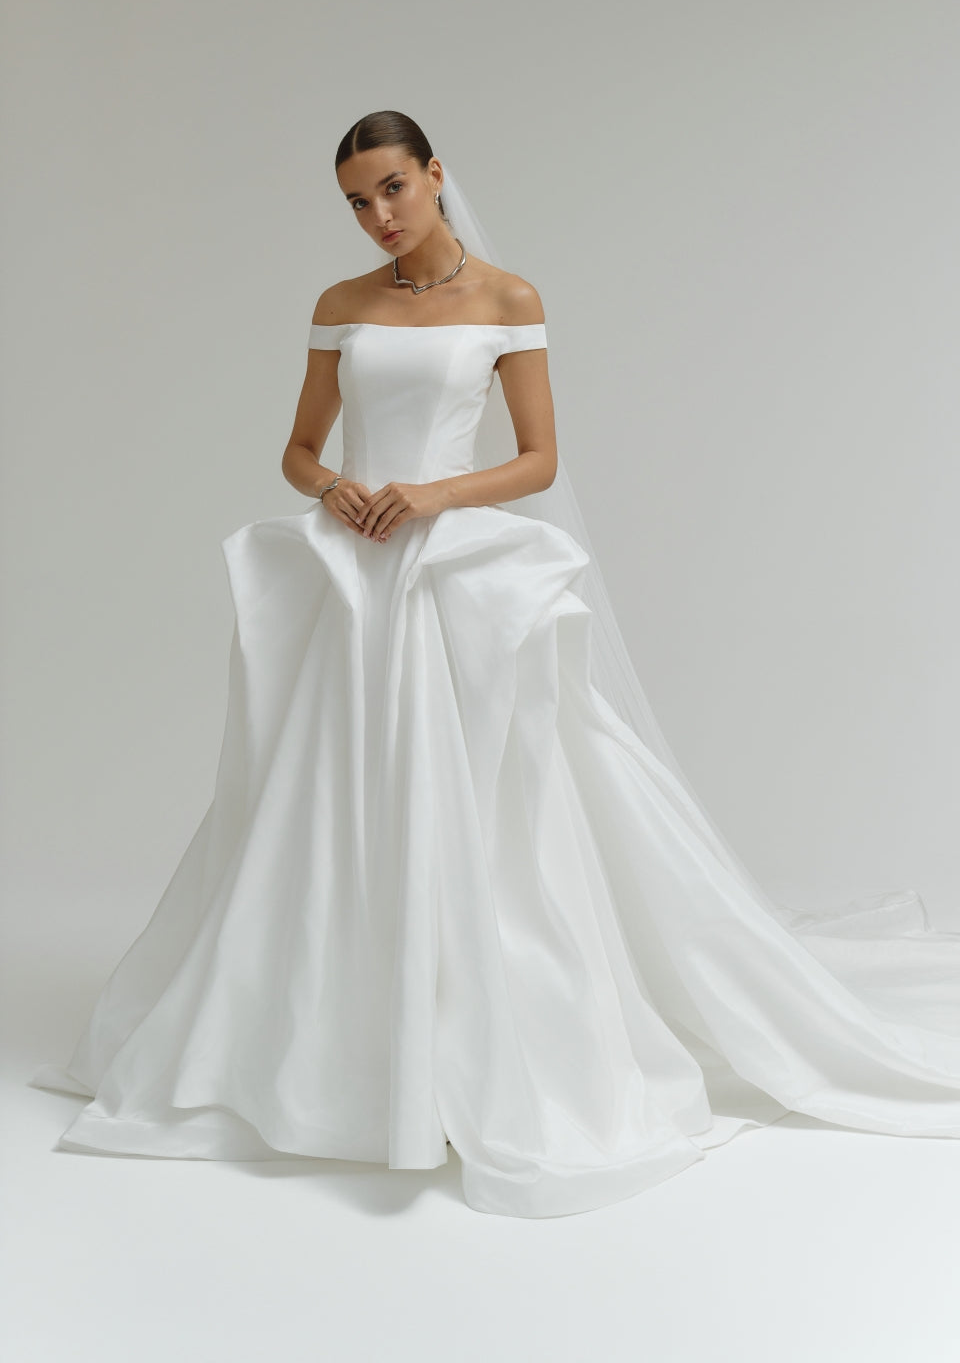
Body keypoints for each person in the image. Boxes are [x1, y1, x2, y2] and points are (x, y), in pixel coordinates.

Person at [31, 110, 960, 1220]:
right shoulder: (341, 306)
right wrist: (336, 490)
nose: (377, 217)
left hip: (453, 567)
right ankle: (327, 1045)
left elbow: (538, 459)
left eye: (391, 189)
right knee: (322, 798)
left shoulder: (509, 299)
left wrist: (426, 494)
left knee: (486, 798)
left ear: (435, 175)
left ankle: (481, 1029)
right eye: (356, 202)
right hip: (354, 573)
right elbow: (297, 447)